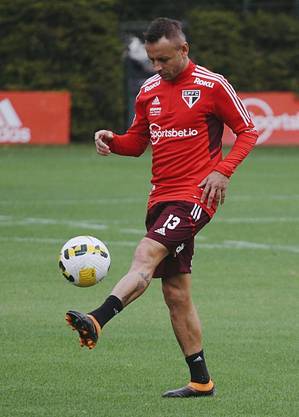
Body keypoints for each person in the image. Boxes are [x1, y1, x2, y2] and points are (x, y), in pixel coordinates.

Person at [65, 17, 258, 398]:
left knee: (146, 253)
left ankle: (97, 319)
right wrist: (111, 140)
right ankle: (201, 380)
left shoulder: (212, 85)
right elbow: (137, 143)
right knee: (175, 292)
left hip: (196, 196)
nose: (157, 67)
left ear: (184, 50)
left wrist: (223, 171)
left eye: (164, 59)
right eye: (152, 60)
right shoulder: (149, 90)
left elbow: (248, 130)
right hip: (160, 198)